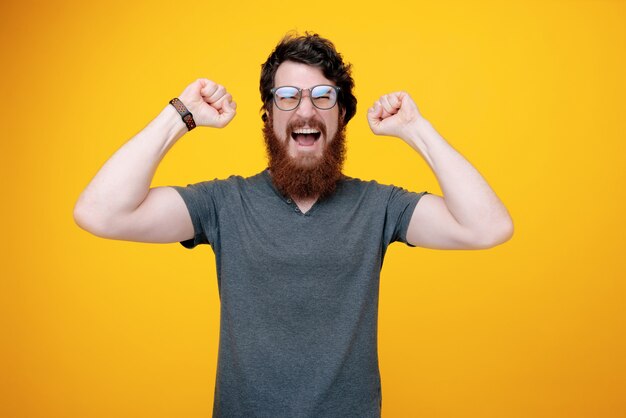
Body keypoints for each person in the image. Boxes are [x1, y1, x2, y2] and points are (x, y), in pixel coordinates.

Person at [74, 33, 513, 417]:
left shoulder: (379, 206)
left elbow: (487, 227)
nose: (306, 110)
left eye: (323, 96)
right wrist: (180, 115)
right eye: (288, 96)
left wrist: (416, 130)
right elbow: (99, 212)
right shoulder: (224, 204)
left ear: (342, 116)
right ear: (269, 115)